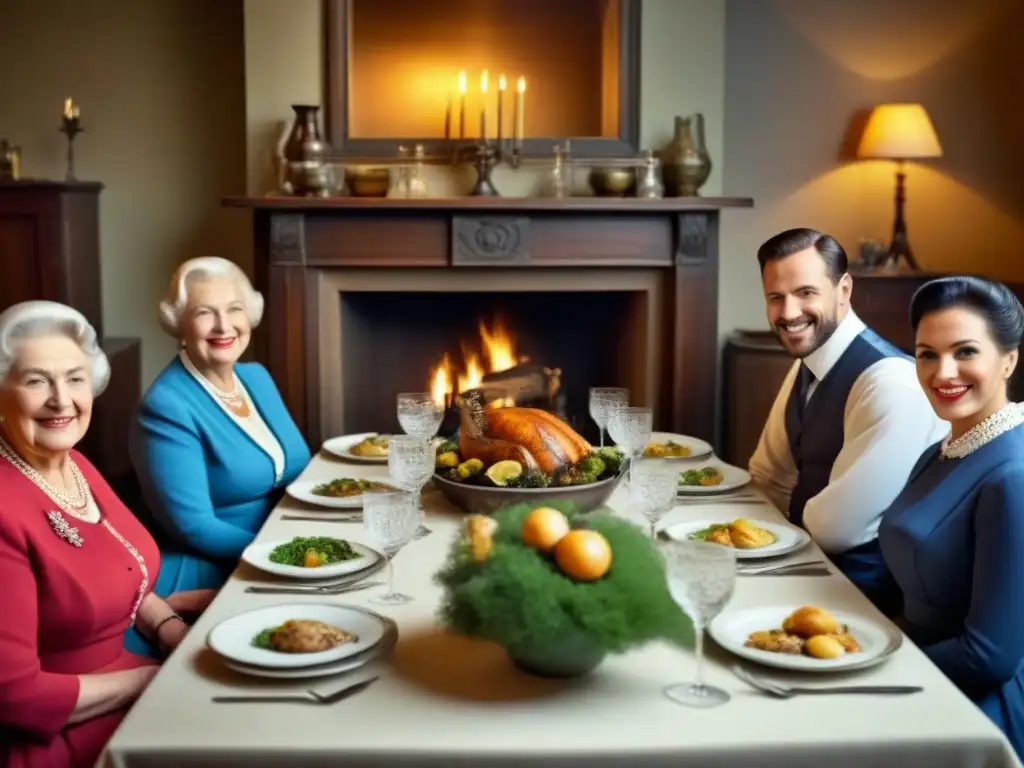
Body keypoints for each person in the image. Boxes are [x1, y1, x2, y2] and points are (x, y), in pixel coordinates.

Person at [0, 300, 190, 768]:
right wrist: (155, 679)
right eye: (36, 380)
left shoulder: (75, 465)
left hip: (126, 685)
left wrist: (171, 631)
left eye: (74, 379)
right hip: (61, 736)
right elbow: (16, 696)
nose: (61, 400)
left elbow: (123, 565)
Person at [748, 228, 947, 612]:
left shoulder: (891, 383)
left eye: (806, 293)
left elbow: (835, 530)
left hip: (862, 599)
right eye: (776, 297)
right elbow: (766, 476)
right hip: (805, 566)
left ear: (844, 290)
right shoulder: (808, 362)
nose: (788, 313)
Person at [879, 276, 1024, 758]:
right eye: (926, 353)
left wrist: (872, 670)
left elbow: (988, 658)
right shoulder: (945, 449)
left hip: (972, 711)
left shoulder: (1014, 474)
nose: (943, 372)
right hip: (916, 668)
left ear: (1009, 359)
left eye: (965, 352)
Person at [129, 256, 310, 603]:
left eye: (234, 309)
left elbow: (295, 471)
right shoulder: (166, 406)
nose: (223, 326)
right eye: (204, 313)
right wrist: (288, 551)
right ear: (179, 324)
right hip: (212, 568)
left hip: (279, 544)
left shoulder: (255, 377)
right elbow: (194, 527)